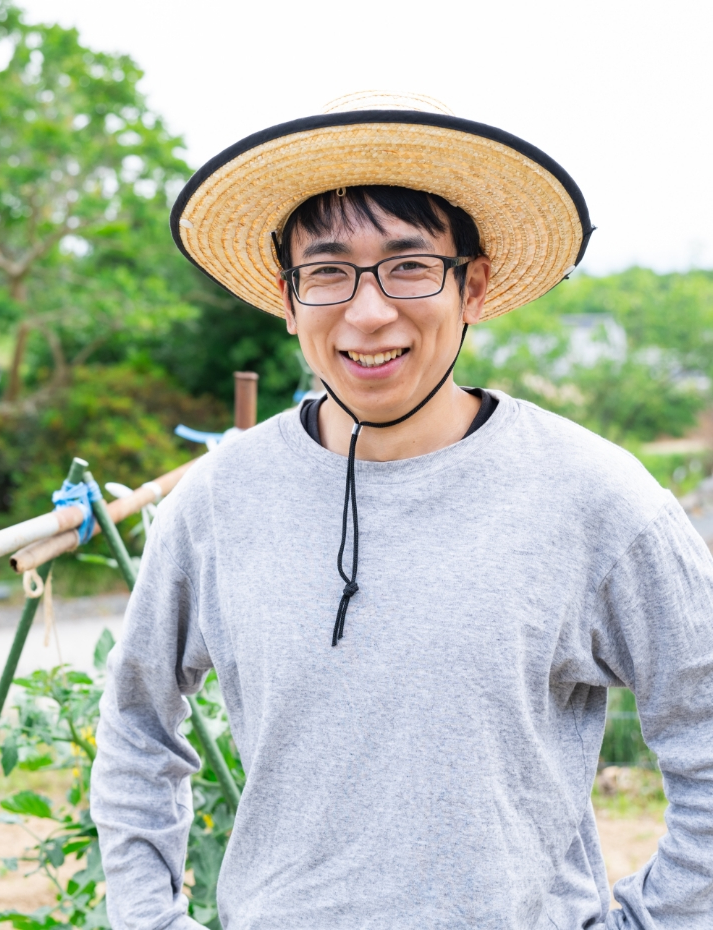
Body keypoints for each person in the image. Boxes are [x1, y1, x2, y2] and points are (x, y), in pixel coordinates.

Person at [90, 93, 713, 929]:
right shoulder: (218, 499)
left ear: (475, 287)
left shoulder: (594, 498)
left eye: (410, 265)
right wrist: (145, 919)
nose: (369, 310)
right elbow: (137, 726)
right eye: (329, 271)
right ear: (287, 298)